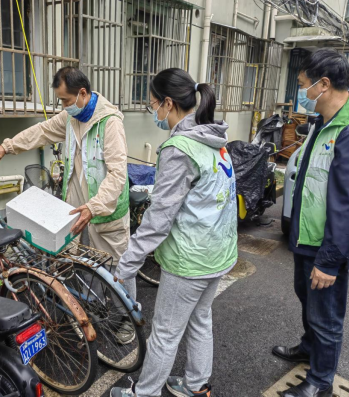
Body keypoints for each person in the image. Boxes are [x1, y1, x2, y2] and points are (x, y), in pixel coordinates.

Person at [110, 68, 238, 397]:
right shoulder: (214, 138)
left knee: (166, 333)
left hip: (190, 259)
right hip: (219, 252)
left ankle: (144, 393)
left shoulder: (180, 147)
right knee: (200, 319)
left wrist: (128, 263)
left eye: (153, 104)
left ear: (168, 103)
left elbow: (159, 218)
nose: (153, 112)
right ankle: (196, 385)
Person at [0, 67, 135, 342]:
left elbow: (118, 174)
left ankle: (126, 319)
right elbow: (41, 132)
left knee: (116, 269)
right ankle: (95, 314)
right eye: (61, 102)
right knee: (84, 265)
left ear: (82, 93)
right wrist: (8, 147)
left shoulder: (110, 123)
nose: (64, 107)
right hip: (76, 209)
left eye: (66, 101)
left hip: (104, 210)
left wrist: (94, 206)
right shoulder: (70, 119)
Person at [273, 49, 349, 397]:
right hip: (310, 234)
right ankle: (309, 349)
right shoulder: (325, 121)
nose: (300, 93)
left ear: (324, 84)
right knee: (308, 298)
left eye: (303, 85)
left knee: (327, 314)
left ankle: (320, 381)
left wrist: (330, 260)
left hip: (328, 242)